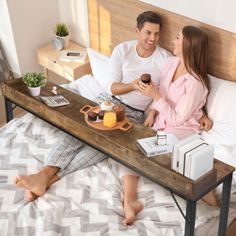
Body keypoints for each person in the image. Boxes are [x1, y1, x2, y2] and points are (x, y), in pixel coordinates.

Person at [15, 12, 212, 203]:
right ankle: (44, 174)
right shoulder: (124, 50)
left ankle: (47, 181)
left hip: (134, 114)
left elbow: (180, 93)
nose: (153, 38)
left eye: (157, 33)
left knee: (101, 146)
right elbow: (111, 87)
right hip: (109, 101)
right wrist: (133, 86)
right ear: (137, 31)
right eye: (148, 33)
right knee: (78, 131)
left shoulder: (165, 59)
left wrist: (201, 112)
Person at [120, 25, 217, 226]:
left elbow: (177, 119)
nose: (173, 41)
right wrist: (153, 112)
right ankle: (130, 201)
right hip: (159, 121)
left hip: (181, 129)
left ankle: (209, 196)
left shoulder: (196, 83)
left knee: (158, 155)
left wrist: (155, 97)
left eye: (177, 37)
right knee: (130, 149)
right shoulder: (171, 63)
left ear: (188, 46)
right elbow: (163, 90)